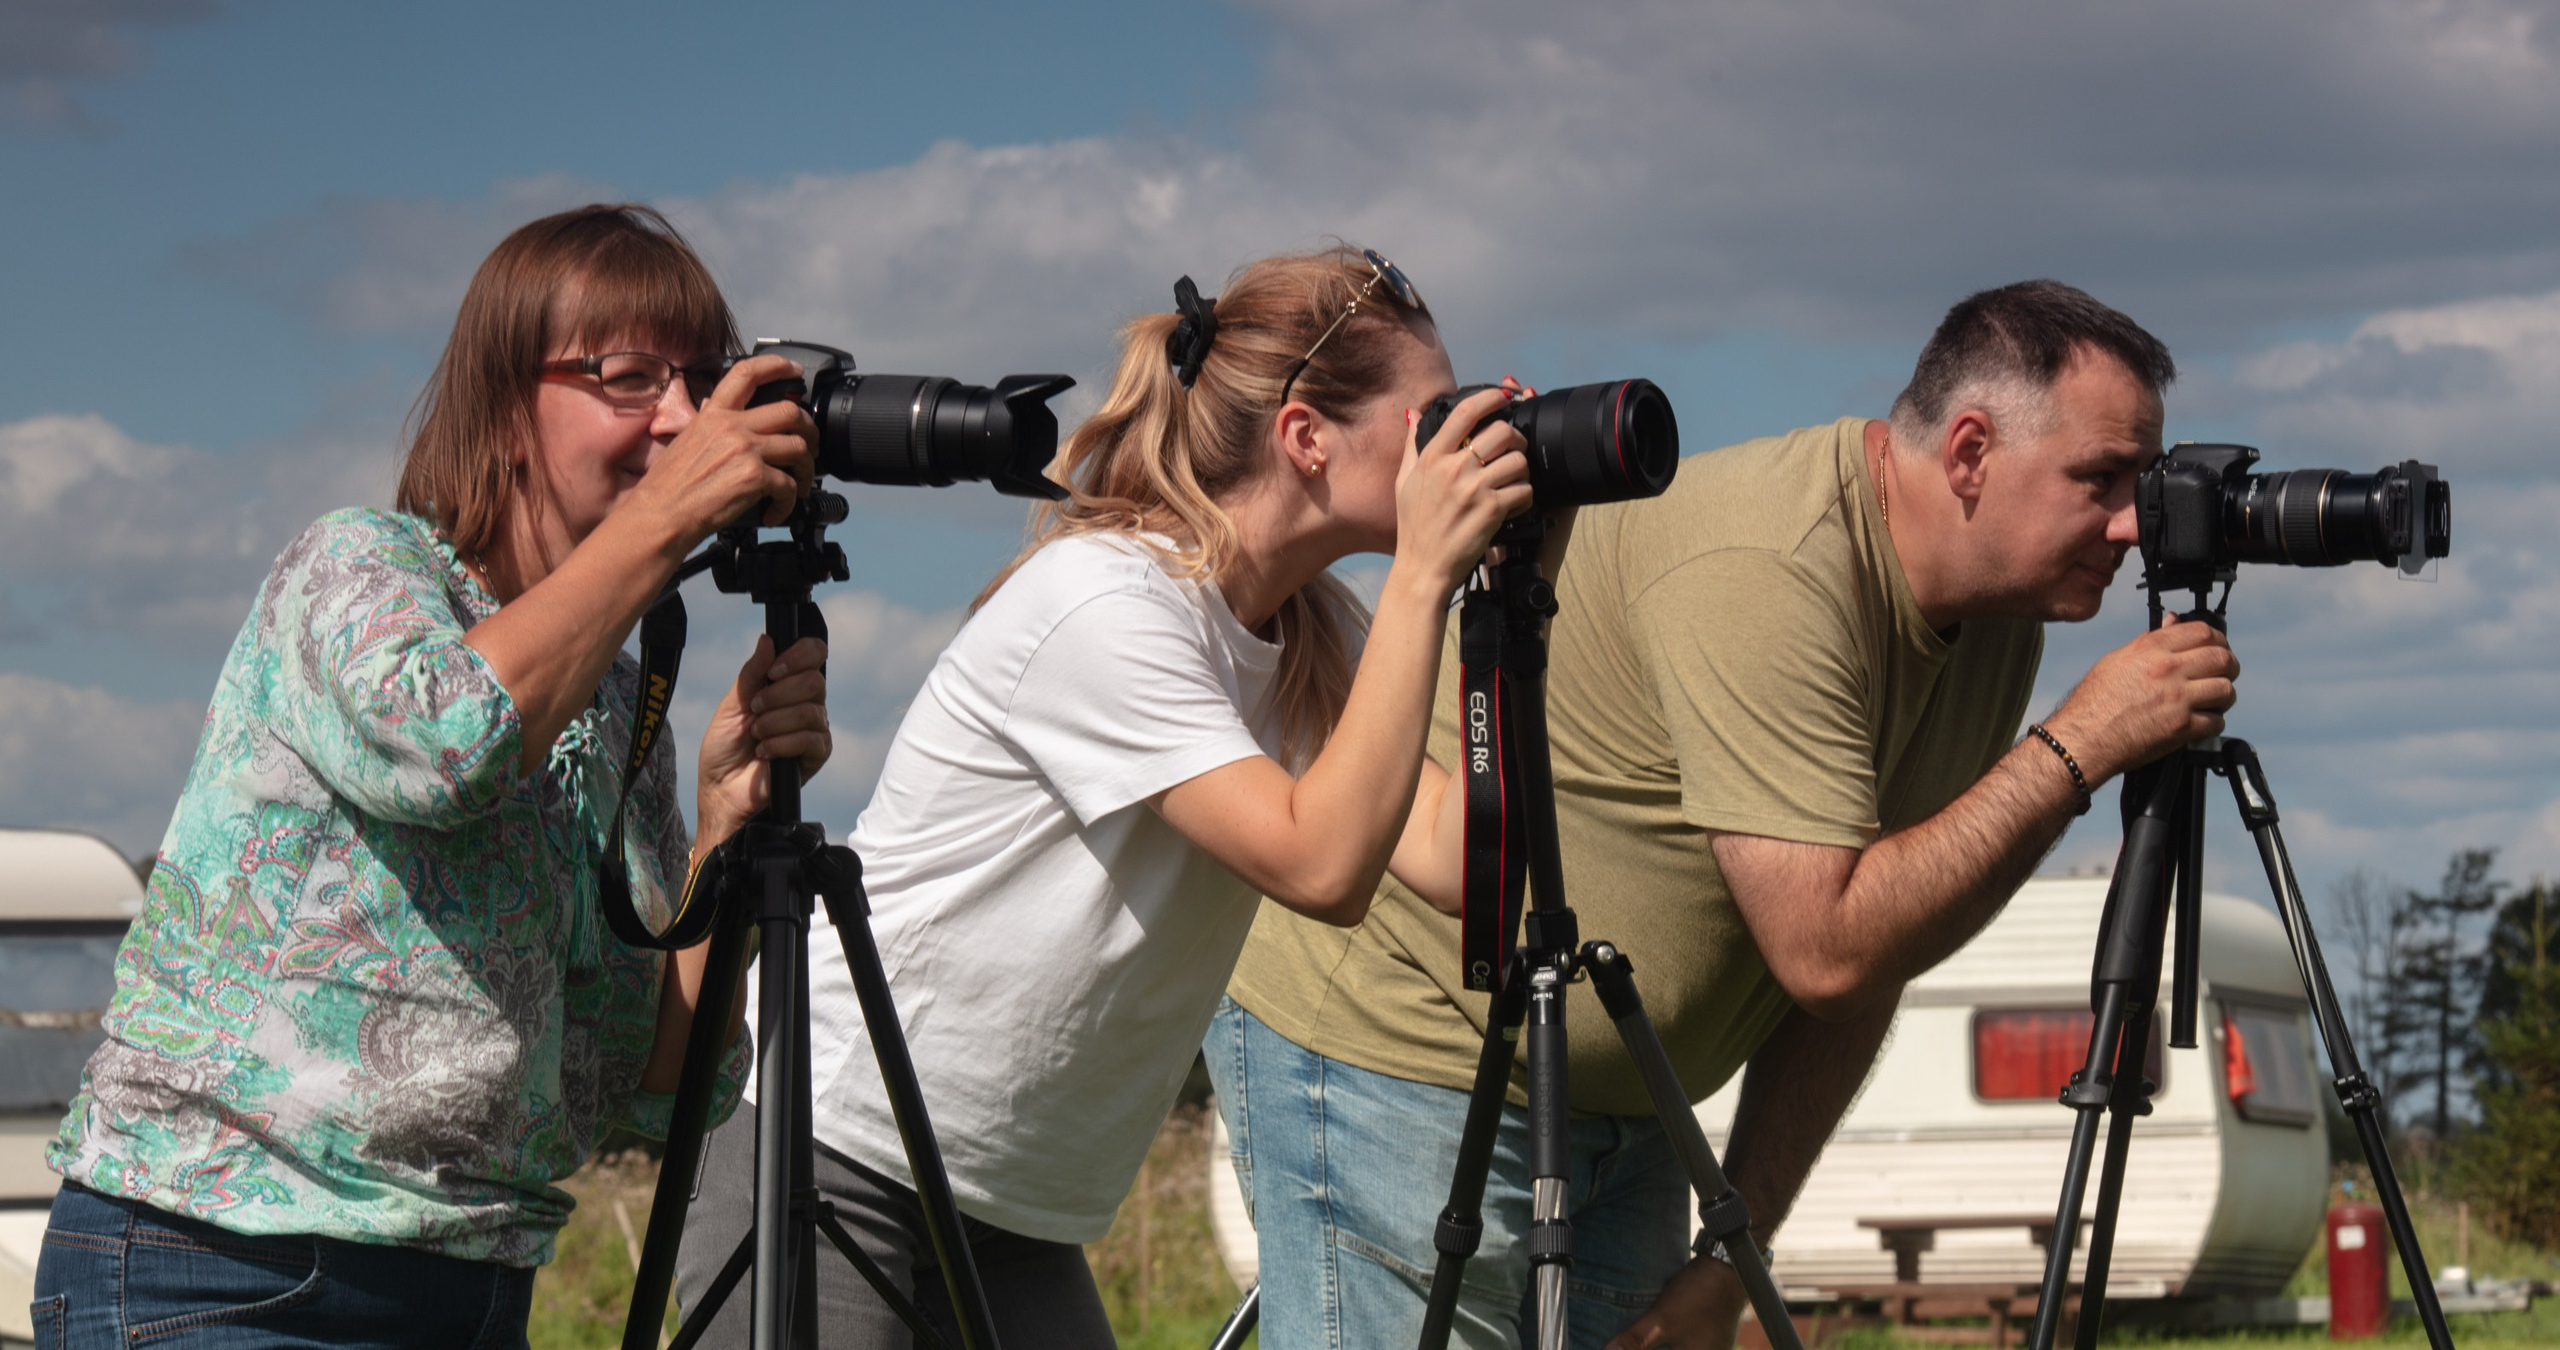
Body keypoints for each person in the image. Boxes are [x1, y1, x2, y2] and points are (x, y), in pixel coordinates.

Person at [1216, 279, 2243, 1350]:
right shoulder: (1771, 567)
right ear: (1972, 453)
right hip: (1402, 1050)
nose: (2134, 524)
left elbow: (1872, 958)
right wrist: (2075, 749)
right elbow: (1828, 951)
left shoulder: (1994, 620)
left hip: (1629, 1106)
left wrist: (1727, 1257)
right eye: (2100, 480)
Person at [674, 246, 1542, 1347]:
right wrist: (1421, 574)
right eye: (1433, 421)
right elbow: (1319, 867)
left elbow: (1465, 859)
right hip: (838, 1144)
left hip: (1013, 1204)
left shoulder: (1311, 633)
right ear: (1305, 435)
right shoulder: (1109, 604)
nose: (1456, 450)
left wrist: (1495, 604)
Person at [33, 204, 826, 1350]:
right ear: (507, 411)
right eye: (629, 377)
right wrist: (665, 516)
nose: (682, 419)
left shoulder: (614, 696)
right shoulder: (356, 567)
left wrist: (719, 830)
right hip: (215, 1267)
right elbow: (442, 745)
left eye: (702, 381)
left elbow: (656, 1077)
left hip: (467, 1289)